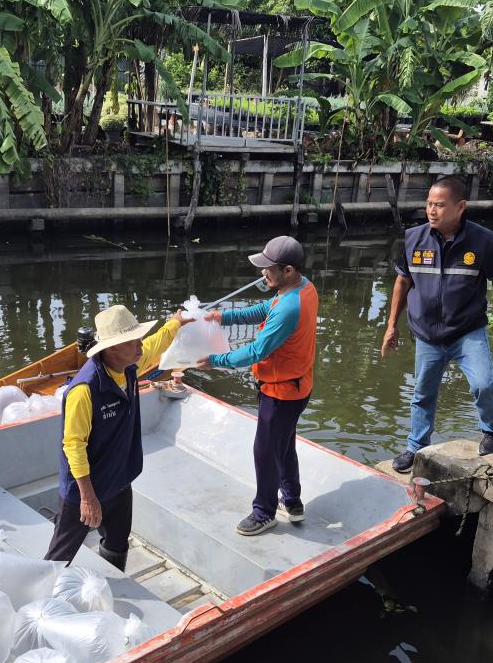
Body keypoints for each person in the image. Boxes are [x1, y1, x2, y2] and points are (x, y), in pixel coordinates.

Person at [381, 176, 493, 472]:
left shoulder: (483, 241)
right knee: (422, 393)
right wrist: (391, 325)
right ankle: (416, 447)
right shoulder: (414, 238)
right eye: (429, 204)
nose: (432, 210)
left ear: (460, 207)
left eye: (439, 205)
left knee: (484, 383)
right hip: (427, 333)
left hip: (467, 331)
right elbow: (402, 282)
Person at [45, 304, 191, 571]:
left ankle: (110, 587)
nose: (140, 345)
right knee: (60, 555)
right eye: (133, 341)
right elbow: (73, 446)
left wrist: (177, 323)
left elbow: (155, 344)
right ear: (112, 347)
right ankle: (45, 602)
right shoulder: (83, 390)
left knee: (117, 542)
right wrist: (88, 498)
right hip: (85, 490)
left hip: (120, 481)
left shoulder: (129, 365)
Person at [196, 235, 318, 537]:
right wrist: (222, 316)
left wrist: (215, 359)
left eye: (268, 268)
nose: (262, 273)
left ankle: (264, 512)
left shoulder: (290, 306)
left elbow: (256, 352)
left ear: (288, 270)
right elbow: (265, 309)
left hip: (281, 392)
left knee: (265, 451)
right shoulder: (303, 288)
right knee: (283, 445)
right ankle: (292, 501)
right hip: (297, 386)